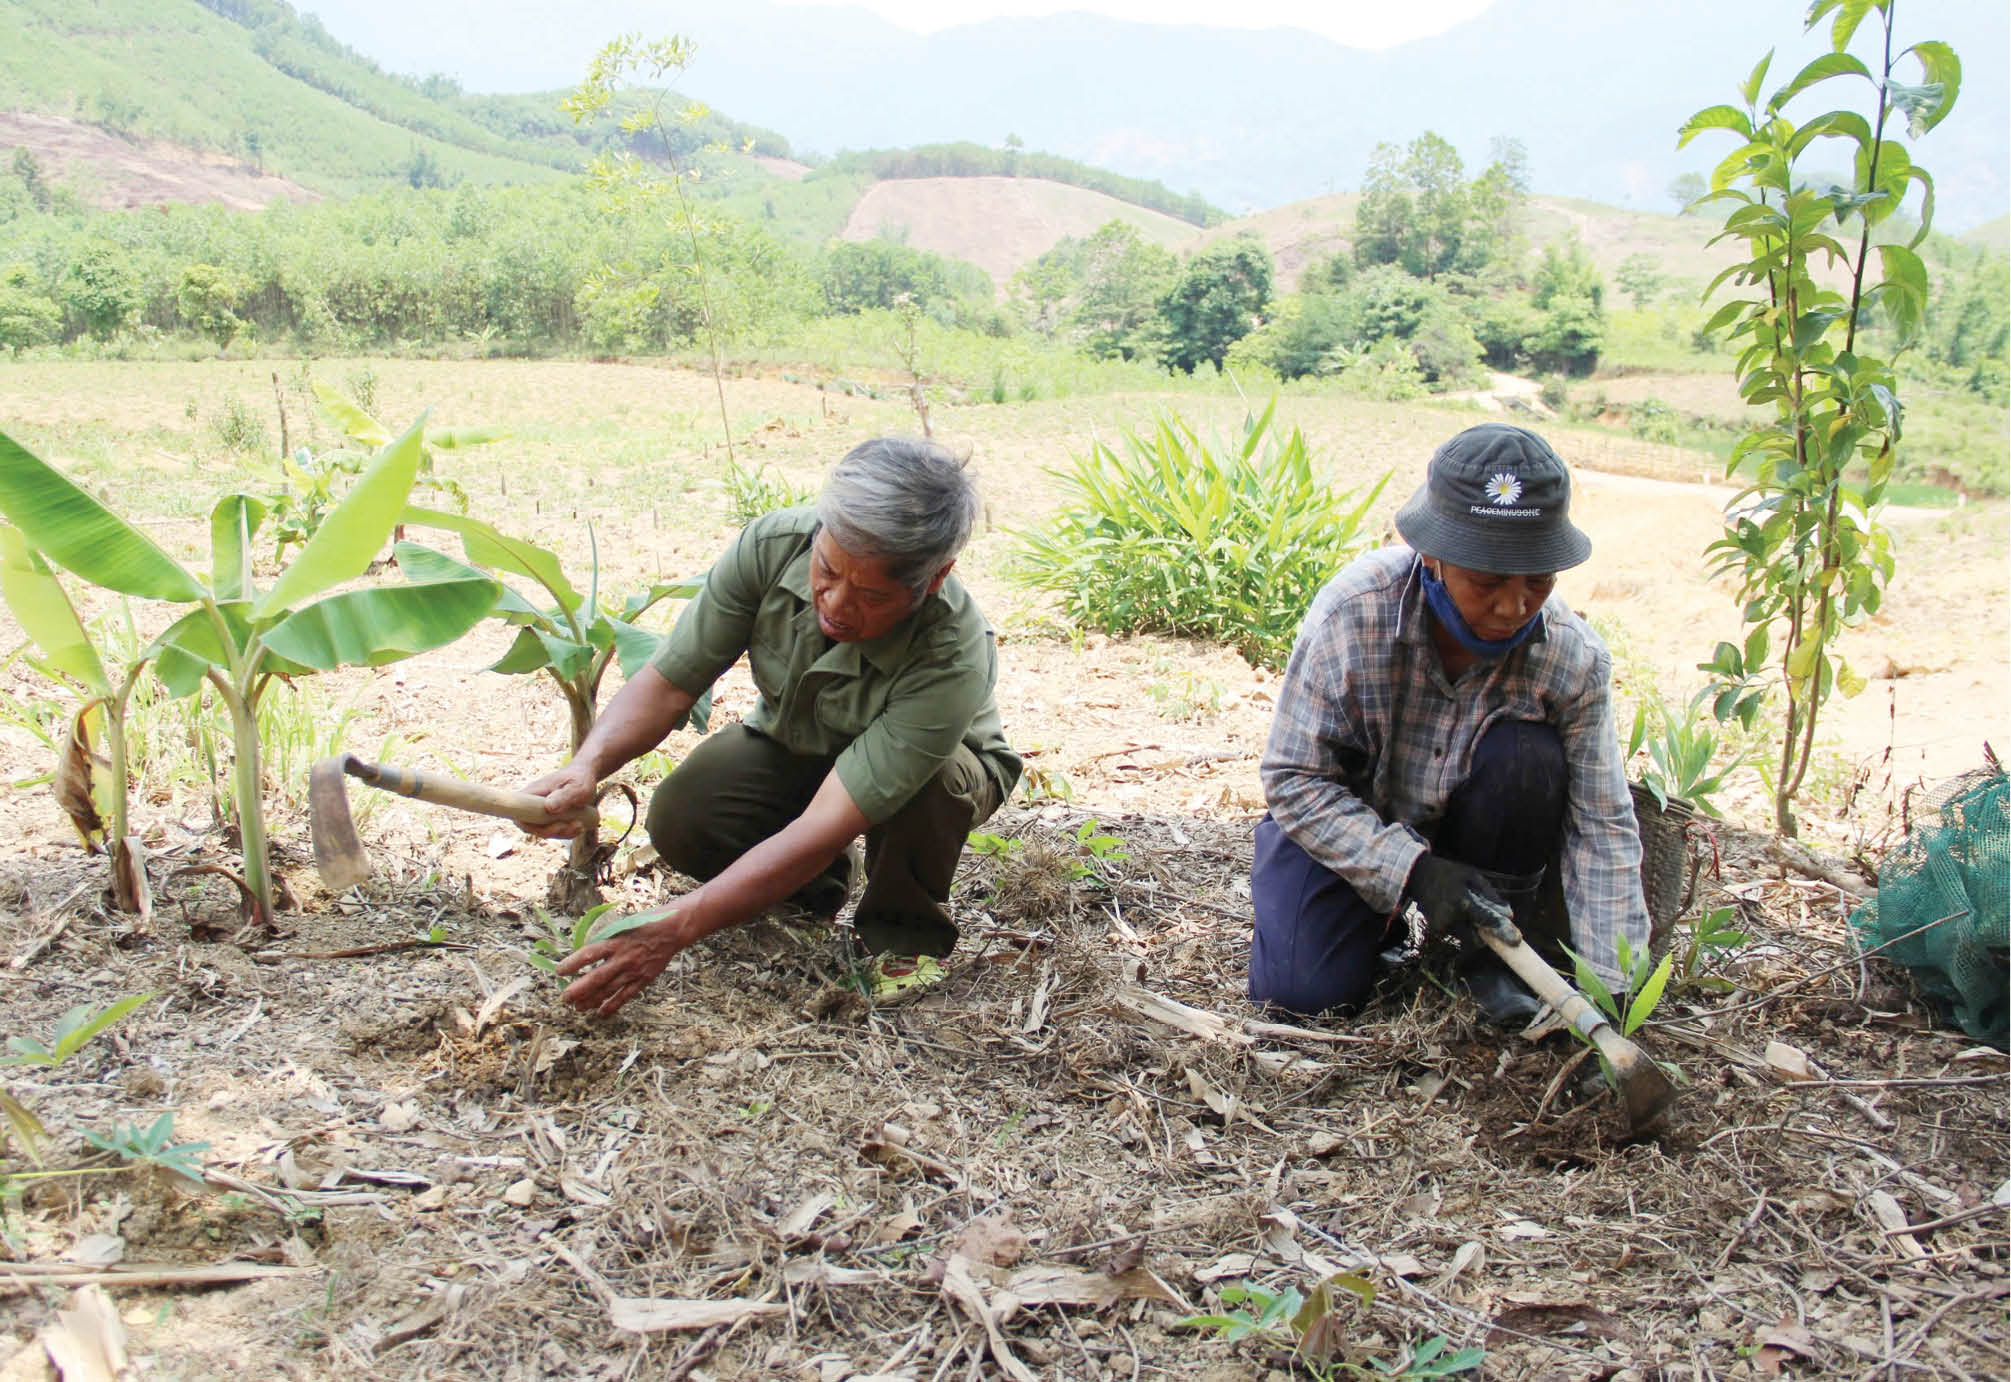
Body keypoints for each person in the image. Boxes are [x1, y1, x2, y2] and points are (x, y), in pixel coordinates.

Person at [522, 437, 1021, 1017]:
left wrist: (676, 928)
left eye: (870, 595)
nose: (834, 602)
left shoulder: (952, 652)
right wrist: (586, 766)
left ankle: (901, 938)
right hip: (802, 741)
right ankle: (807, 895)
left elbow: (825, 825)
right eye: (827, 570)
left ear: (932, 582)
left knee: (929, 787)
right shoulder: (771, 546)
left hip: (939, 769)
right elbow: (669, 683)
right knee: (685, 813)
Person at [1251, 422, 1648, 1024]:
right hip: (1355, 823)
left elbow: (1602, 824)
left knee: (1527, 758)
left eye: (1537, 581)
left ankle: (1487, 953)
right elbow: (1293, 780)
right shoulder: (1353, 615)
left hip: (1488, 837)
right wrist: (1411, 870)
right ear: (1432, 557)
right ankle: (1378, 920)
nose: (1514, 607)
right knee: (1302, 995)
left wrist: (1618, 988)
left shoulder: (1571, 657)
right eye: (1488, 582)